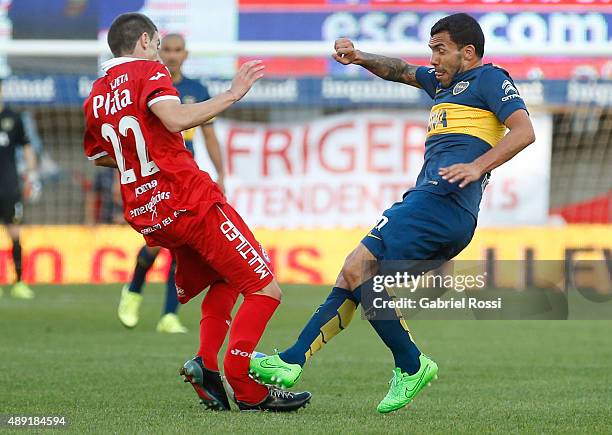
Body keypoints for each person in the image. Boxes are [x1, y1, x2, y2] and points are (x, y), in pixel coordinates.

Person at [249, 13, 536, 414]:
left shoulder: (490, 79)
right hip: (436, 205)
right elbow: (399, 70)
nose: (433, 58)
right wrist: (360, 56)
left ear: (468, 52)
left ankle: (410, 363)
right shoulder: (441, 84)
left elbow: (524, 131)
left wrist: (478, 166)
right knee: (357, 276)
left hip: (442, 201)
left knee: (359, 270)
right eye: (431, 50)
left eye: (440, 50)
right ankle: (293, 360)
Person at [82, 12, 311, 412]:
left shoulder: (97, 95)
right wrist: (233, 93)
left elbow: (103, 156)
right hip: (189, 200)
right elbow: (177, 117)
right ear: (143, 42)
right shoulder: (149, 73)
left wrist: (149, 156)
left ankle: (205, 366)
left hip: (149, 212)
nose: (159, 53)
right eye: (156, 44)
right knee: (265, 290)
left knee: (225, 278)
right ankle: (246, 385)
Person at [117, 33, 226, 334]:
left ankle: (168, 315)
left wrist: (221, 174)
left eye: (178, 50)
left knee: (183, 245)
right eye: (167, 49)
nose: (173, 55)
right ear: (156, 51)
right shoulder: (147, 84)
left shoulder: (196, 90)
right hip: (153, 176)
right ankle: (134, 289)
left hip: (184, 176)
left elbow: (209, 136)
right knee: (155, 245)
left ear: (186, 54)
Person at [0, 84, 39, 299]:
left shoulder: (12, 118)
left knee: (15, 234)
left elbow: (26, 146)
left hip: (9, 187)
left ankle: (19, 282)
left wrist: (32, 174)